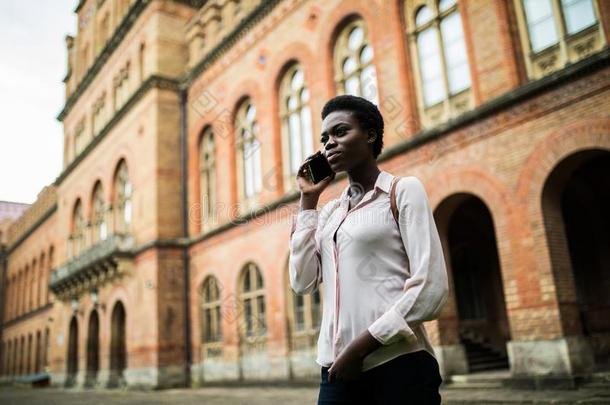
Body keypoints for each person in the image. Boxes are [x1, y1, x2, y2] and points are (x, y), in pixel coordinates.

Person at [289, 95, 449, 404]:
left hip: (397, 366)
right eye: (325, 138)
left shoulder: (403, 191)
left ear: (370, 135)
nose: (329, 144)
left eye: (340, 132)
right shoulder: (330, 213)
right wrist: (307, 201)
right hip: (335, 372)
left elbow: (431, 288)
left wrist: (361, 347)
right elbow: (302, 282)